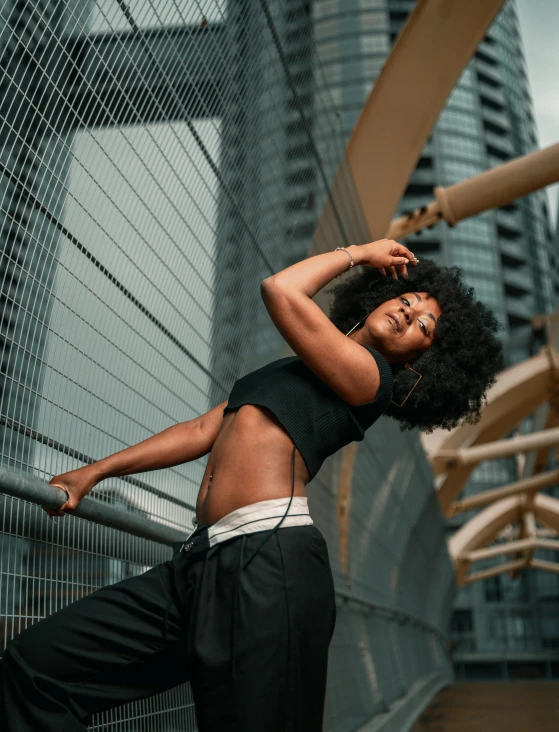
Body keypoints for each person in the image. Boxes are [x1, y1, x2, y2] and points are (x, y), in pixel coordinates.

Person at [0, 239, 502, 731]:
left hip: (271, 566)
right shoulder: (294, 369)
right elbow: (202, 430)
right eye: (407, 301)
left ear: (421, 361)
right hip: (200, 564)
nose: (407, 314)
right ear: (381, 296)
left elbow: (280, 290)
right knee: (37, 668)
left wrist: (359, 253)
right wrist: (94, 472)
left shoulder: (371, 380)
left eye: (424, 326)